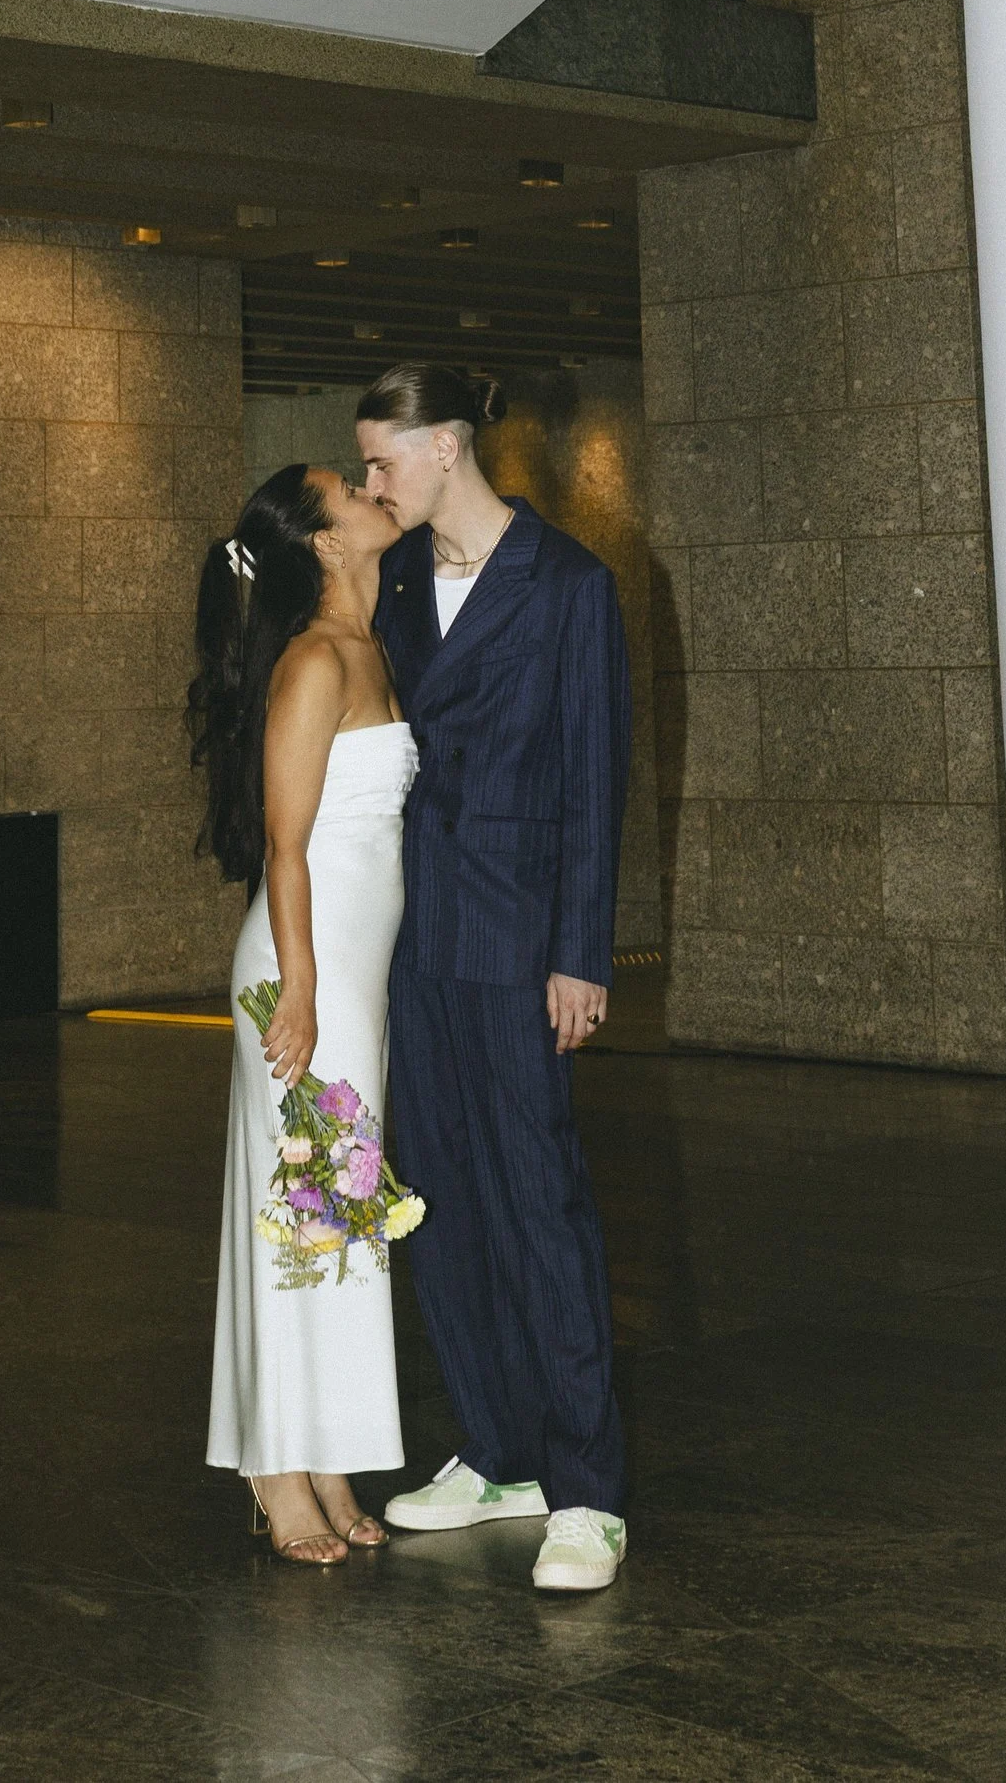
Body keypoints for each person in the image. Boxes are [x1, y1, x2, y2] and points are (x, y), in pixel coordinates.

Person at [361, 363, 633, 1596]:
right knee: (442, 1201)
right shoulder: (401, 577)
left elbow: (594, 777)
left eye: (382, 462)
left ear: (445, 449)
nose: (372, 484)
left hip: (520, 937)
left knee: (539, 1204)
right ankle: (500, 1449)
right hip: (417, 934)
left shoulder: (568, 583)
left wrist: (581, 950)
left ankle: (586, 1491)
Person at [192, 461, 419, 1566]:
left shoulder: (375, 646)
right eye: (350, 489)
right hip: (300, 981)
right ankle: (276, 1469)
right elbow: (285, 844)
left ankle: (325, 1451)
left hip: (346, 983)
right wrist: (302, 990)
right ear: (326, 543)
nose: (375, 490)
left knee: (336, 1218)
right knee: (299, 1215)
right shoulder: (315, 659)